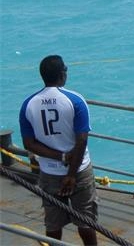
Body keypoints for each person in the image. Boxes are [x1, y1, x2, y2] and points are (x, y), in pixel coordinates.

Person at [19, 55, 98, 245]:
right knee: (86, 223)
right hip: (79, 172)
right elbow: (81, 141)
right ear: (62, 74)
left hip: (49, 173)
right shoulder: (75, 101)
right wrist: (71, 174)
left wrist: (60, 156)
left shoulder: (28, 104)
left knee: (53, 225)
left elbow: (29, 144)